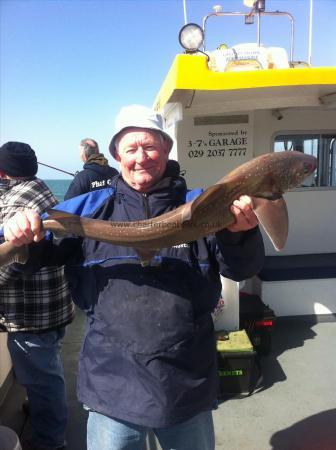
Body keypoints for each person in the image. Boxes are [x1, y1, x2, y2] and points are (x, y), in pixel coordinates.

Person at [3, 106, 265, 450]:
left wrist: (239, 234)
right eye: (131, 149)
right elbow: (37, 258)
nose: (141, 158)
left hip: (185, 382)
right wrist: (23, 235)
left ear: (167, 149)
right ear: (116, 155)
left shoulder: (202, 205)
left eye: (151, 146)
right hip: (112, 382)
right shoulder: (86, 209)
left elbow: (241, 269)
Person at [0, 142, 74, 450]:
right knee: (46, 373)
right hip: (53, 305)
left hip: (30, 314)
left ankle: (51, 441)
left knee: (44, 381)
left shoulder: (16, 204)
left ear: (4, 172)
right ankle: (44, 414)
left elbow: (14, 260)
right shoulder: (41, 190)